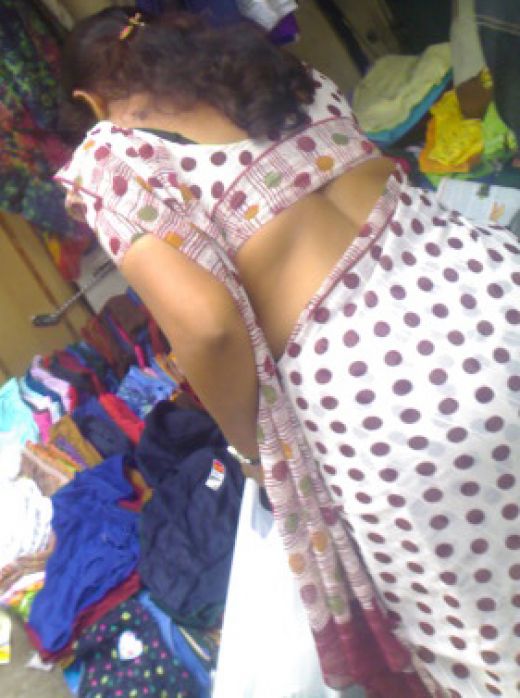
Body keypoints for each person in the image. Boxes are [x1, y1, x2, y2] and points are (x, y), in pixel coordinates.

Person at [56, 8, 519, 697]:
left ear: (89, 101)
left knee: (487, 630)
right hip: (491, 288)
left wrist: (252, 450)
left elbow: (208, 328)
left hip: (396, 397)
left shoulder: (113, 157)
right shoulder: (274, 75)